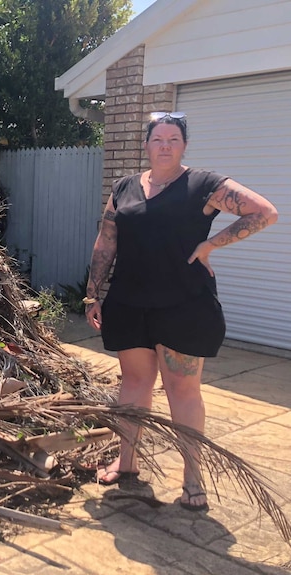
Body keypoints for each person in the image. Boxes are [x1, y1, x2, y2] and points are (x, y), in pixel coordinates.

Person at [84, 111, 279, 512]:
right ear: (147, 144)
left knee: (182, 391)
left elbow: (264, 211)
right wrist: (92, 293)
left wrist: (211, 246)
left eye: (174, 138)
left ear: (184, 145)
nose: (166, 145)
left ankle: (193, 478)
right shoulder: (124, 188)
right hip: (129, 301)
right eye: (158, 139)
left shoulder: (204, 185)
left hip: (184, 304)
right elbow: (106, 240)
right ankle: (127, 463)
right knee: (134, 386)